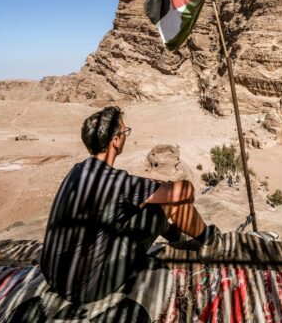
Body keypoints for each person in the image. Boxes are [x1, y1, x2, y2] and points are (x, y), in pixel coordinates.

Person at [40, 106, 219, 304]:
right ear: (115, 140)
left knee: (143, 205)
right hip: (86, 288)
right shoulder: (117, 182)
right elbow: (186, 191)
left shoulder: (78, 170)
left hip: (54, 277)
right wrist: (165, 188)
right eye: (125, 132)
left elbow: (119, 206)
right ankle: (210, 241)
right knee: (171, 200)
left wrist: (150, 194)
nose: (126, 136)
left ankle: (177, 238)